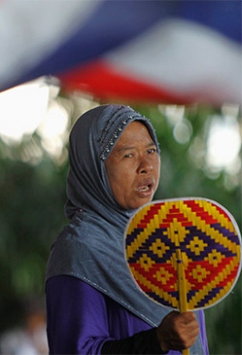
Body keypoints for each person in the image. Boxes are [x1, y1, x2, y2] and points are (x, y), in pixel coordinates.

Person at [44, 104, 209, 354]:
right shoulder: (80, 249)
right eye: (128, 155)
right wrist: (157, 341)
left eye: (151, 151)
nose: (146, 166)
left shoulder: (171, 241)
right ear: (94, 167)